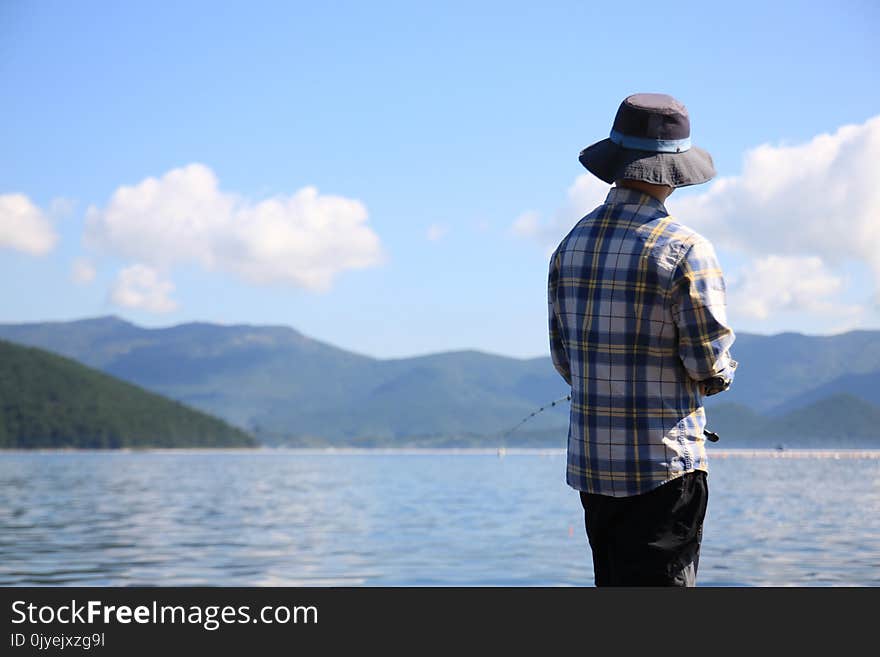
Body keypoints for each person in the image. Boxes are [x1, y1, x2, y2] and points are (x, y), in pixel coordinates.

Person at [547, 93, 737, 586]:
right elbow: (707, 365)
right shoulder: (686, 249)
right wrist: (722, 374)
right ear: (674, 170)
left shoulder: (571, 245)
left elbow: (564, 358)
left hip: (593, 466)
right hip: (663, 469)